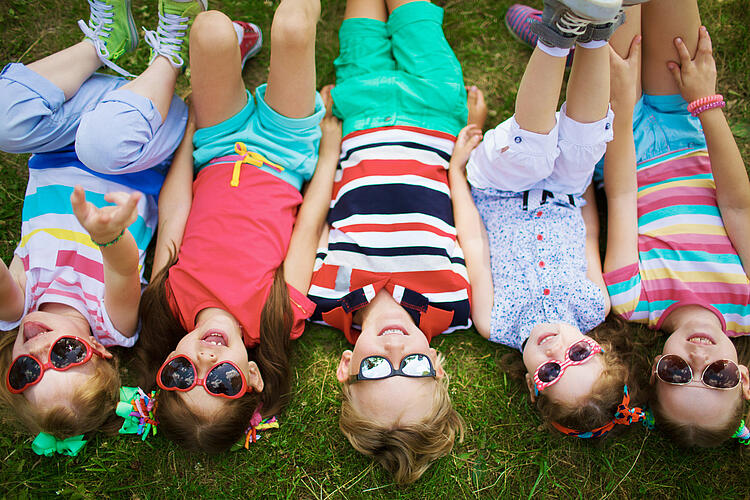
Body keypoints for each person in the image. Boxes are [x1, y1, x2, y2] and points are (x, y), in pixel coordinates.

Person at [136, 0, 330, 453]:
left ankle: (237, 48)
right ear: (254, 376)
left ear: (167, 362)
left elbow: (176, 207)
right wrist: (329, 150)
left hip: (218, 143)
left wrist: (189, 134)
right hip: (287, 151)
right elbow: (309, 226)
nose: (205, 360)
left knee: (208, 30)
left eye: (182, 375)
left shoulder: (171, 297)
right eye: (221, 380)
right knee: (293, 26)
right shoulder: (276, 316)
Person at [0, 0, 193, 447]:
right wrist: (106, 236)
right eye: (66, 355)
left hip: (65, 131)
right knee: (102, 146)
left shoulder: (16, 307)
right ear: (101, 352)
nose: (41, 351)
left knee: (5, 119)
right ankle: (168, 58)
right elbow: (125, 270)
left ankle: (103, 44)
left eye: (26, 370)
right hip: (142, 142)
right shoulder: (113, 323)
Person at [452, 0, 648, 439]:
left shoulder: (495, 322)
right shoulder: (593, 305)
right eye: (579, 353)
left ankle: (558, 33)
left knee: (531, 152)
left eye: (550, 373)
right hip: (564, 191)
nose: (558, 349)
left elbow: (476, 247)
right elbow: (588, 232)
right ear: (601, 347)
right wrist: (581, 181)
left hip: (495, 185)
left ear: (530, 383)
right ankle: (598, 28)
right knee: (585, 143)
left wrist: (456, 175)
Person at [306, 0, 472, 484]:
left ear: (345, 367)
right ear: (438, 366)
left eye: (376, 369)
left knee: (360, 21)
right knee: (414, 16)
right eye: (415, 367)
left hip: (359, 119)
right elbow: (469, 226)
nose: (396, 350)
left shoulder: (320, 300)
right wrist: (461, 140)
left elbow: (316, 221)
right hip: (436, 115)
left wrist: (328, 145)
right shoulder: (457, 304)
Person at [603, 0, 750, 446]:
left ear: (655, 368)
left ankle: (575, 40)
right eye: (717, 376)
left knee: (612, 9)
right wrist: (706, 101)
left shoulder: (632, 300)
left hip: (620, 137)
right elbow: (738, 204)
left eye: (678, 372)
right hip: (687, 119)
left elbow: (623, 194)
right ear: (743, 377)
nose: (698, 356)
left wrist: (623, 109)